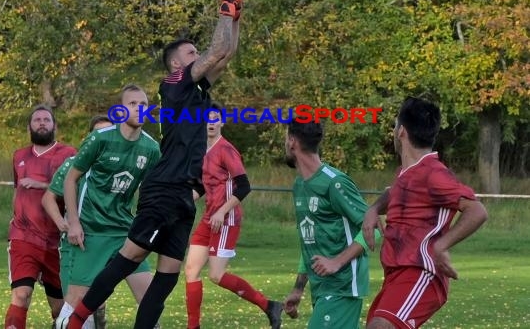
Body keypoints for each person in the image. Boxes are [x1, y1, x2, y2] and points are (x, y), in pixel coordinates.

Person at [61, 0, 246, 329]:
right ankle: (78, 319)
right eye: (192, 53)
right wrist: (226, 4)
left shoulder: (196, 90)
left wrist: (235, 15)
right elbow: (217, 51)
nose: (199, 56)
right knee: (128, 260)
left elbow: (226, 53)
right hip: (164, 188)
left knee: (167, 276)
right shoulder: (174, 85)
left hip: (184, 193)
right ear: (177, 65)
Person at [363, 97, 488, 329]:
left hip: (422, 273)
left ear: (401, 131)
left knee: (380, 326)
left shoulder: (433, 173)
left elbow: (477, 210)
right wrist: (374, 210)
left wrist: (441, 245)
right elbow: (394, 193)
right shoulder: (407, 173)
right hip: (397, 275)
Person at [53, 85, 162, 329]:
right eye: (133, 104)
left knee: (151, 301)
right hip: (92, 232)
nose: (139, 109)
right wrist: (73, 222)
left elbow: (153, 191)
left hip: (126, 233)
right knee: (77, 304)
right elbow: (71, 179)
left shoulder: (151, 148)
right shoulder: (100, 138)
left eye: (144, 104)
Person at [184, 102, 282, 329]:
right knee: (191, 270)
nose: (211, 122)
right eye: (207, 118)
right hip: (210, 218)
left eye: (215, 118)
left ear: (222, 122)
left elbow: (244, 186)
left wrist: (221, 211)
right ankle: (193, 326)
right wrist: (183, 200)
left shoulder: (226, 150)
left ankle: (268, 305)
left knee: (216, 276)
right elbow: (201, 186)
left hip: (226, 219)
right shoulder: (201, 150)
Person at [283, 119, 375, 329]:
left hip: (342, 287)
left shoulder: (335, 182)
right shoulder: (299, 185)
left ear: (292, 141)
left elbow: (373, 228)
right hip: (322, 289)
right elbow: (310, 239)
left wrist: (336, 262)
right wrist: (299, 288)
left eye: (285, 139)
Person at [5, 105, 77, 329]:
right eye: (37, 120)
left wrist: (42, 185)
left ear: (55, 125)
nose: (42, 123)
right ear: (29, 126)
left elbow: (75, 189)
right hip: (23, 236)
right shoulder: (19, 156)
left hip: (57, 241)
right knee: (21, 294)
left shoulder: (69, 154)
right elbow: (18, 191)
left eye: (47, 119)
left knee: (59, 307)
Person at [41, 114, 112, 329]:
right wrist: (64, 223)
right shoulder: (75, 163)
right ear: (90, 137)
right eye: (98, 132)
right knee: (75, 306)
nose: (103, 138)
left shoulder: (117, 166)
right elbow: (48, 198)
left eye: (108, 133)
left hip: (106, 242)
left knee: (97, 305)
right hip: (76, 244)